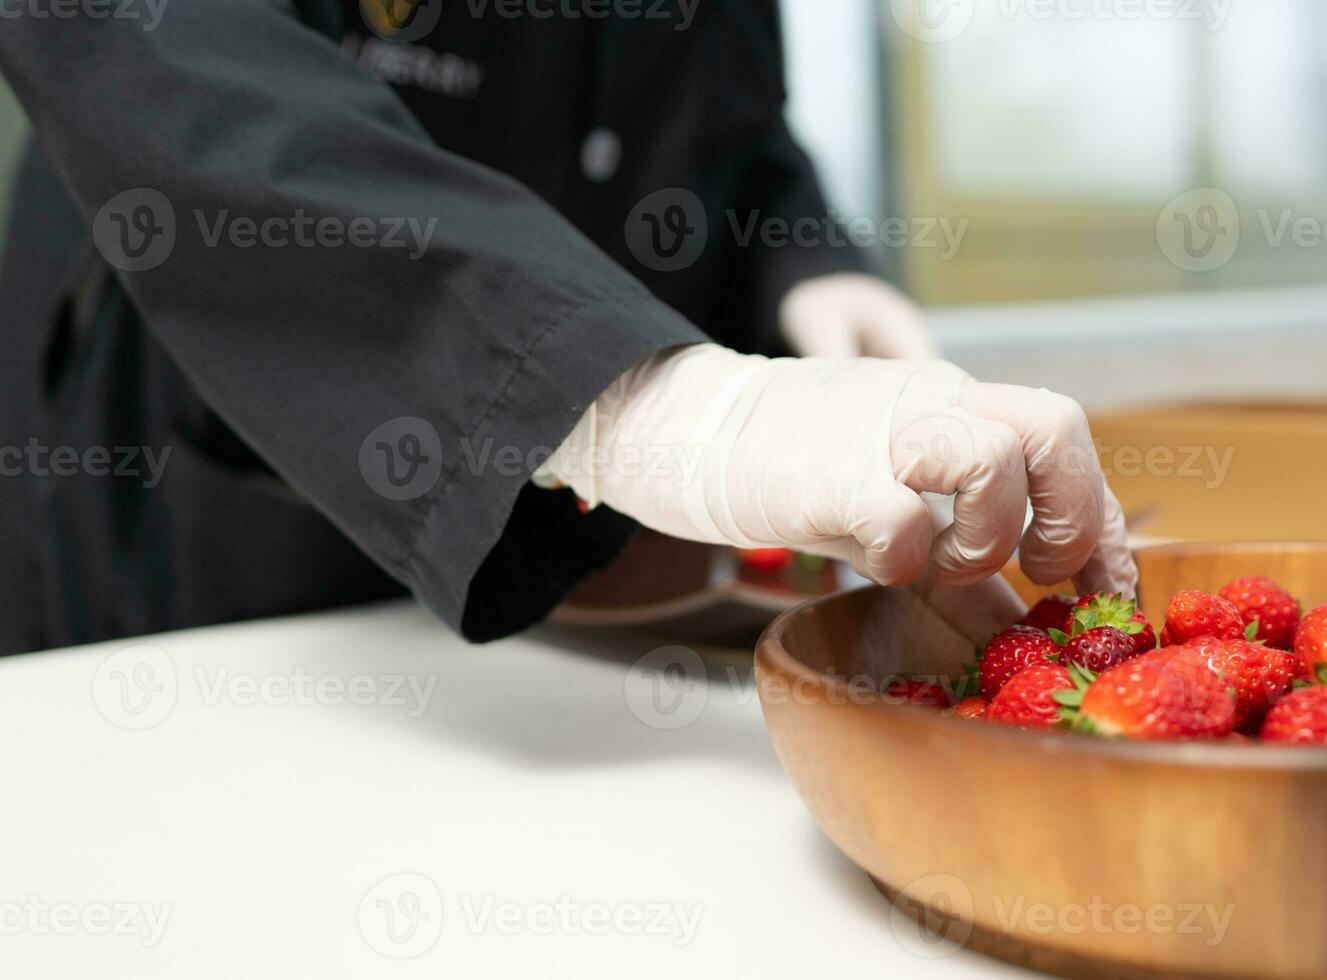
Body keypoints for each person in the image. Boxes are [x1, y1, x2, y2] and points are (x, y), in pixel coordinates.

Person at [0, 0, 1135, 656]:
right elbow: (161, 54)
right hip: (203, 541)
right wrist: (656, 404)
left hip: (575, 615)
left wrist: (806, 264)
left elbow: (726, 125)